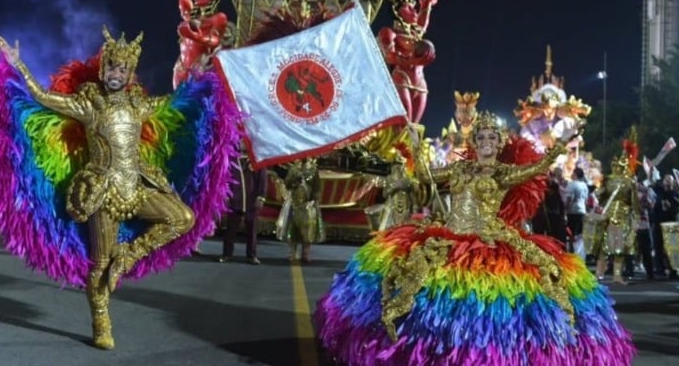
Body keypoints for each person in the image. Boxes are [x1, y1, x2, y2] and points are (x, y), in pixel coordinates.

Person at [0, 27, 239, 349]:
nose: (117, 73)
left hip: (137, 187)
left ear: (130, 74)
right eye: (112, 67)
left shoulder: (138, 105)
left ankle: (128, 255)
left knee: (182, 218)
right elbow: (42, 98)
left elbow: (174, 100)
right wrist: (17, 64)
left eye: (123, 69)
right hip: (102, 193)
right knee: (100, 265)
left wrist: (196, 73)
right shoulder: (89, 105)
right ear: (103, 70)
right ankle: (101, 321)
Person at [314, 112, 635, 365]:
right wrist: (414, 143)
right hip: (447, 237)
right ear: (475, 141)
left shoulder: (503, 173)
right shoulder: (460, 169)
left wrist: (561, 143)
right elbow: (424, 175)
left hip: (488, 241)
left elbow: (537, 166)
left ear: (499, 143)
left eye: (491, 137)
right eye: (480, 137)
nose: (486, 142)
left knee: (495, 303)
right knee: (411, 283)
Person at [591, 132, 641, 285]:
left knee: (620, 247)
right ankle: (598, 273)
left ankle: (617, 275)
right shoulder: (608, 180)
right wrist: (598, 193)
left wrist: (636, 218)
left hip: (623, 215)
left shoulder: (629, 182)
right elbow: (601, 198)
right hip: (608, 214)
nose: (617, 167)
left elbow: (634, 202)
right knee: (604, 246)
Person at [219, 152, 268, 265]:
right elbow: (226, 179)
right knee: (230, 230)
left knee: (252, 230)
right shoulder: (232, 160)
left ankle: (252, 255)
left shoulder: (257, 159)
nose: (243, 144)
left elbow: (263, 180)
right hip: (235, 200)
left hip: (252, 201)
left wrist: (261, 197)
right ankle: (226, 254)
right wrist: (226, 194)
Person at [274, 157, 324, 263]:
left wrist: (314, 200)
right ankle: (292, 253)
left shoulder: (313, 170)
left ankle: (305, 254)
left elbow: (317, 187)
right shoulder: (293, 169)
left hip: (308, 204)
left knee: (308, 230)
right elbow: (287, 184)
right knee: (292, 229)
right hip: (294, 203)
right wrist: (294, 181)